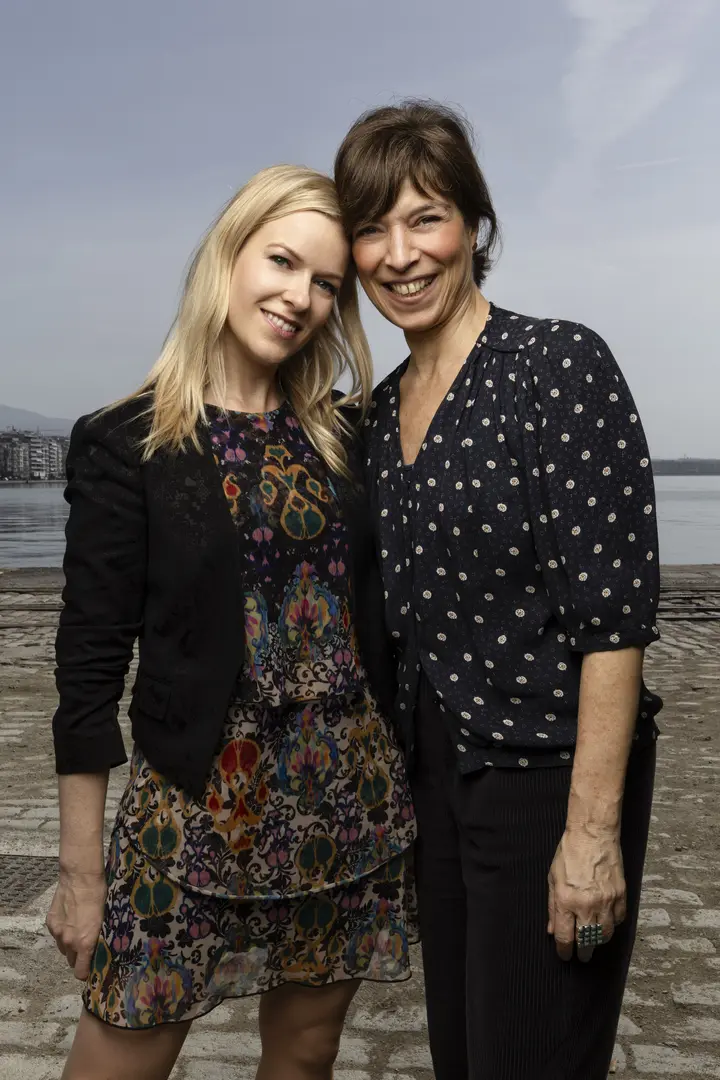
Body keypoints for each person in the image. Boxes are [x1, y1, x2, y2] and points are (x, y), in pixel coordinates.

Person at [47, 163, 416, 1080]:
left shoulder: (346, 436)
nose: (300, 298)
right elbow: (88, 671)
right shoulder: (127, 441)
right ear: (228, 255)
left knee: (305, 1056)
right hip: (191, 820)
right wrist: (82, 873)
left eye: (326, 282)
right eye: (282, 262)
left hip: (346, 810)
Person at [334, 101, 662, 1080]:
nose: (401, 255)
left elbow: (613, 624)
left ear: (473, 224)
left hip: (548, 780)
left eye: (425, 218)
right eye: (372, 229)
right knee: (463, 1055)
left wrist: (591, 836)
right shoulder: (375, 414)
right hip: (434, 781)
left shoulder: (556, 365)